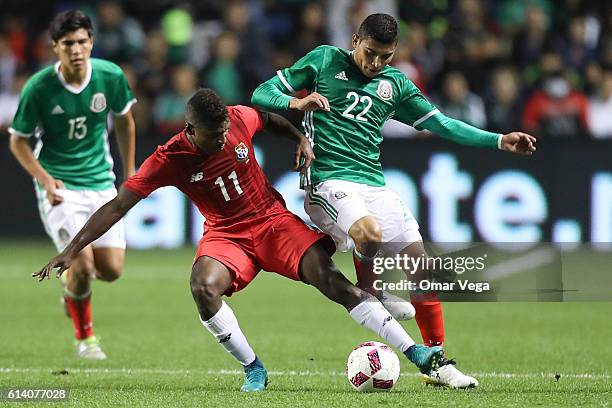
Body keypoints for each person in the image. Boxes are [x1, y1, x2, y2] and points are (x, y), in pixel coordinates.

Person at [35, 88, 456, 392]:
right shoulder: (168, 159)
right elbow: (117, 206)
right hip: (226, 234)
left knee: (331, 281)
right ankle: (253, 368)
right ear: (189, 130)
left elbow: (268, 117)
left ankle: (415, 352)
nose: (220, 140)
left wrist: (300, 139)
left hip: (272, 222)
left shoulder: (236, 119)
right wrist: (71, 251)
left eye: (223, 134)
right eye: (211, 136)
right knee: (202, 286)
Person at [252, 13, 536, 388]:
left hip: (374, 184)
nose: (375, 63)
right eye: (370, 53)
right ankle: (373, 291)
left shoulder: (396, 84)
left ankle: (439, 362)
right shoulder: (323, 60)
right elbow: (261, 94)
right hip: (328, 181)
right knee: (368, 233)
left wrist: (499, 140)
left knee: (422, 269)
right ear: (355, 40)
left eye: (384, 57)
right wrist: (296, 103)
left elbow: (444, 124)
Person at [9, 10, 137, 360]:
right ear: (55, 48)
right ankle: (86, 339)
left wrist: (130, 173)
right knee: (80, 266)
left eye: (82, 42)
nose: (77, 49)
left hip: (101, 182)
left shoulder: (110, 76)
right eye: (68, 44)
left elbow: (125, 121)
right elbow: (18, 141)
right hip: (60, 187)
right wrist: (46, 180)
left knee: (110, 270)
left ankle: (71, 294)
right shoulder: (39, 87)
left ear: (92, 43)